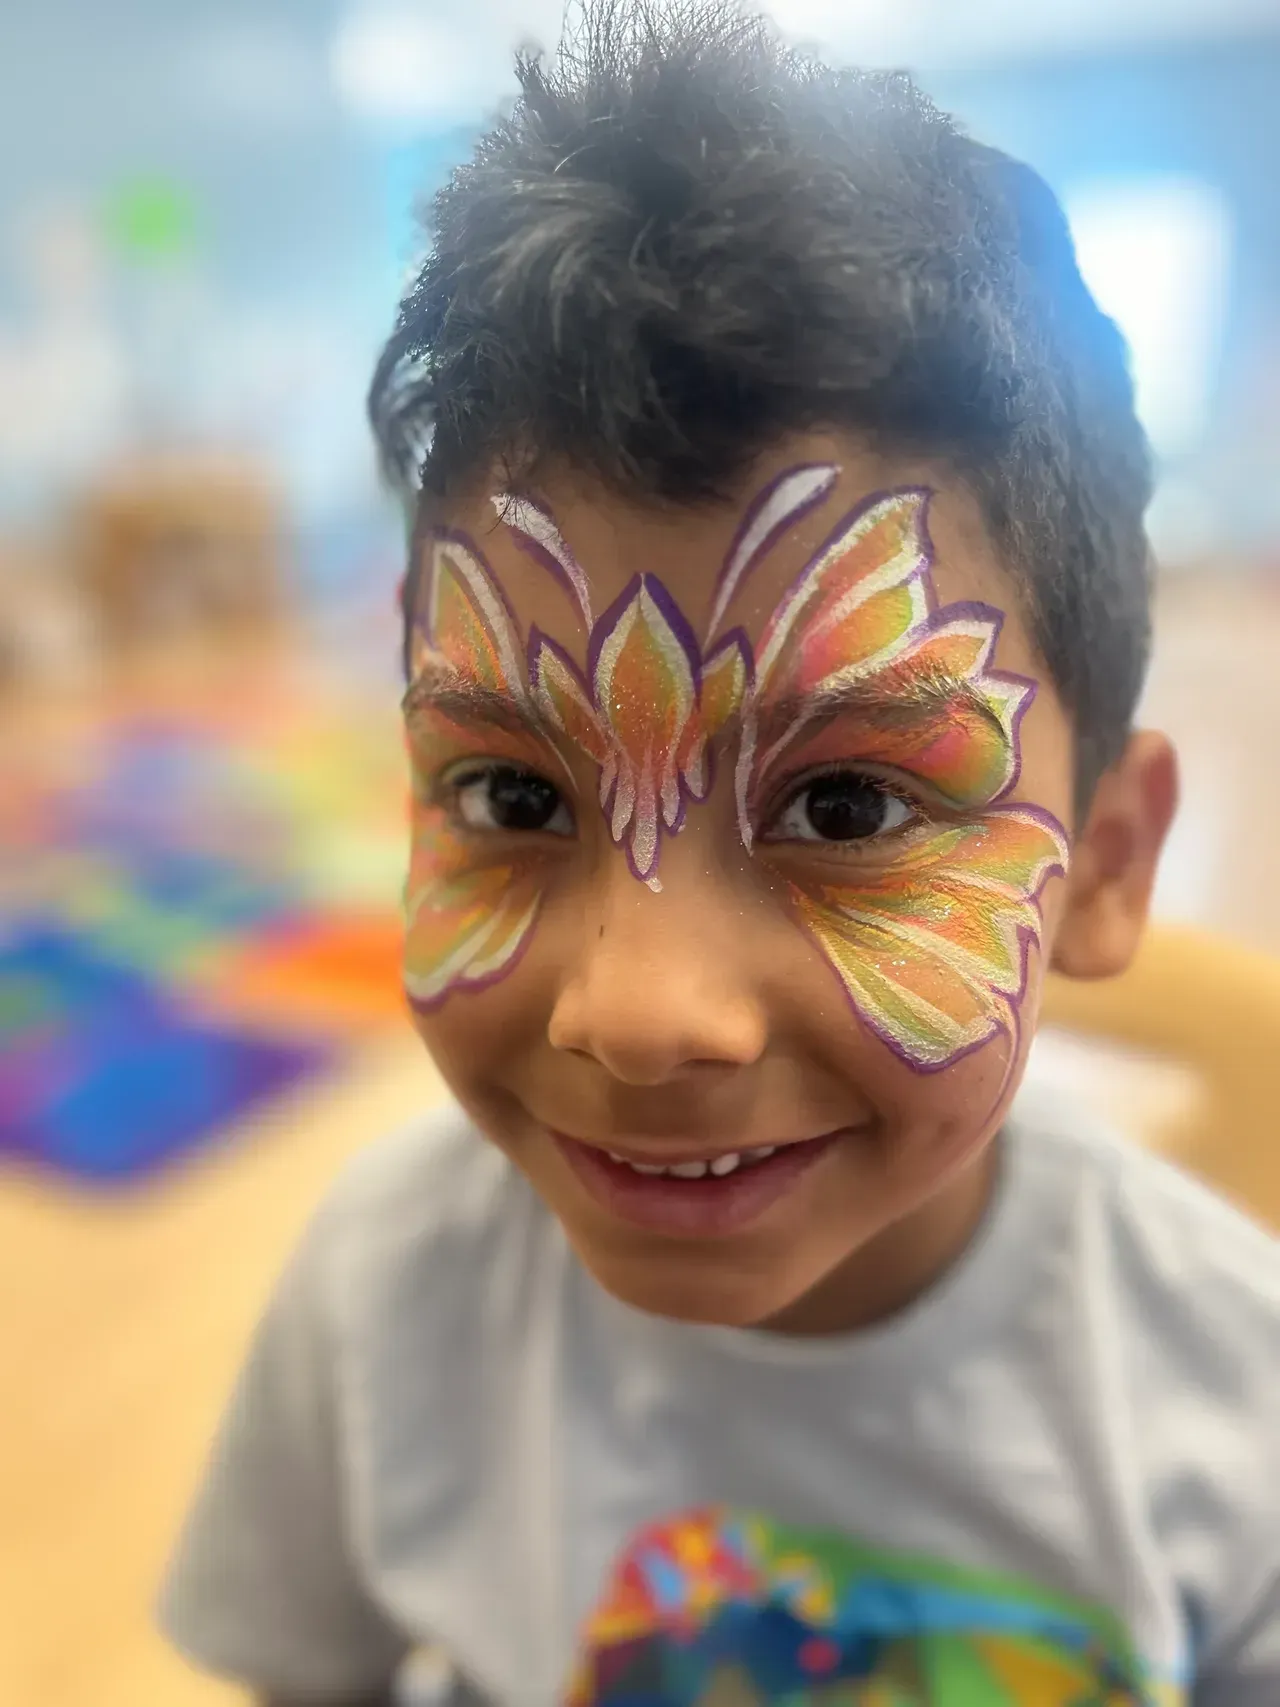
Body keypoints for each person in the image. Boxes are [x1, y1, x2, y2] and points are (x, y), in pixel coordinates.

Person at [159, 4, 1280, 1703]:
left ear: (1112, 859)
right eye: (512, 798)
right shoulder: (381, 1295)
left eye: (849, 808)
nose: (644, 1012)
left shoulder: (1236, 1400)